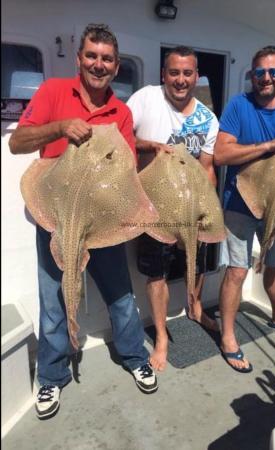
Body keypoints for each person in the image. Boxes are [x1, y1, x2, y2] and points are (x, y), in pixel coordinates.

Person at [9, 23, 158, 420]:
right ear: (79, 58)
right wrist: (58, 127)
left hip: (102, 219)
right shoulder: (53, 92)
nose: (98, 64)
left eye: (107, 59)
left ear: (116, 65)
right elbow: (16, 141)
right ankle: (52, 377)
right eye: (91, 56)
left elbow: (125, 170)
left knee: (122, 296)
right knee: (53, 298)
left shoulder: (122, 112)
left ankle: (132, 355)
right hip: (55, 215)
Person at [214, 45, 275, 373]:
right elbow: (222, 155)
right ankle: (228, 335)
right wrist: (268, 145)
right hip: (239, 207)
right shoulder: (238, 106)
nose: (266, 78)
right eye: (259, 73)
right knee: (237, 271)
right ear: (251, 76)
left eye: (272, 72)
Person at [127, 46, 219, 372]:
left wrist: (208, 208)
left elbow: (207, 168)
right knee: (158, 273)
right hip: (154, 208)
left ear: (196, 76)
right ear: (164, 74)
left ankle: (195, 308)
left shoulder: (208, 118)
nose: (181, 80)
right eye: (174, 73)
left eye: (187, 73)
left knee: (198, 263)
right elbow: (122, 138)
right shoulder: (145, 98)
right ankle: (163, 336)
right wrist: (149, 146)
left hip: (192, 207)